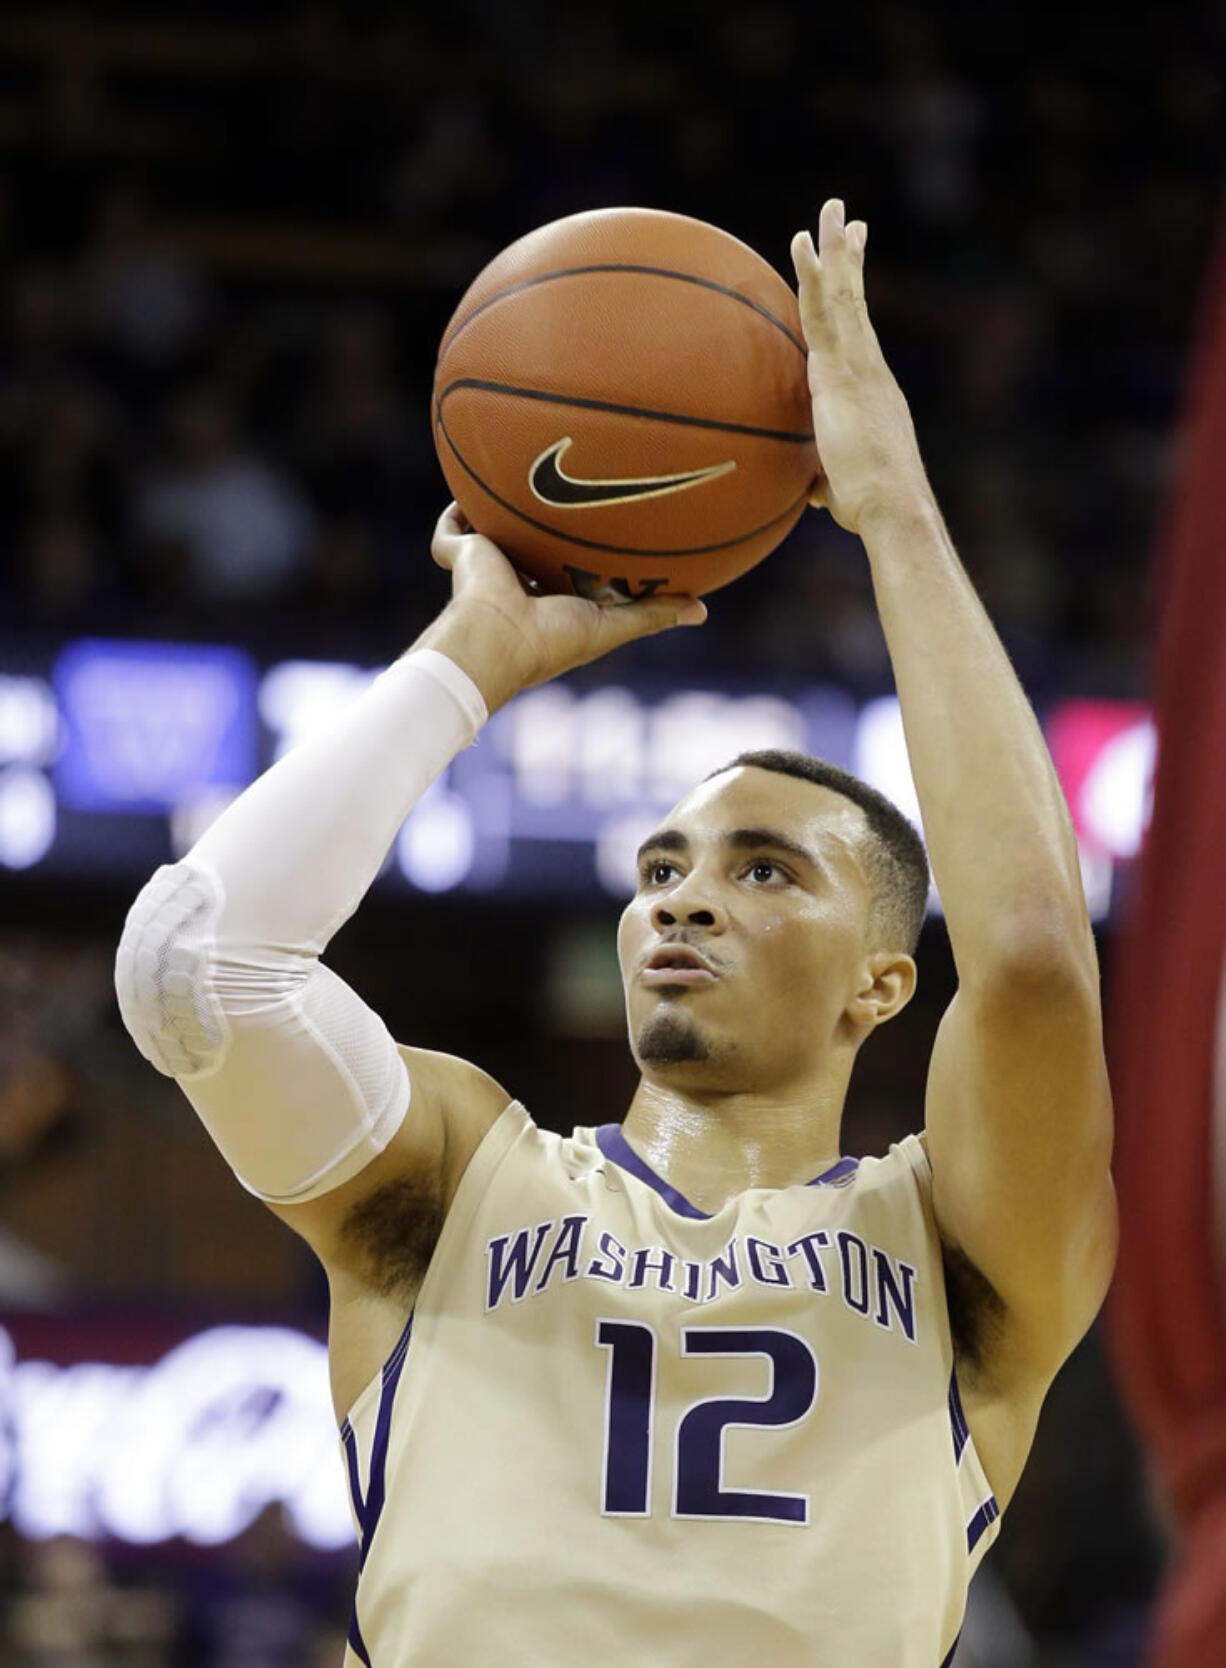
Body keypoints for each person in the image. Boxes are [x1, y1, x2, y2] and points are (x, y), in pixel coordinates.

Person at [113, 200, 1116, 1667]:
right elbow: (196, 971)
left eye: (768, 873)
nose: (685, 895)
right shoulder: (458, 1177)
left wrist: (894, 505)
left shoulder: (954, 1242)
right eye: (664, 865)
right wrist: (472, 656)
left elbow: (1029, 962)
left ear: (882, 982)